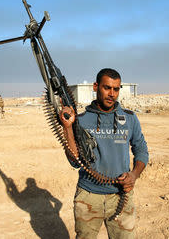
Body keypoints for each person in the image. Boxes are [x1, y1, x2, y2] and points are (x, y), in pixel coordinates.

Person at [59, 68, 149, 239]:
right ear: (95, 87)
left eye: (116, 89)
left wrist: (134, 175)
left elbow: (141, 150)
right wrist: (68, 128)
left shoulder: (129, 118)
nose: (112, 94)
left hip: (120, 194)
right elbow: (74, 161)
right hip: (89, 195)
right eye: (107, 88)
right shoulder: (82, 120)